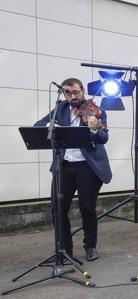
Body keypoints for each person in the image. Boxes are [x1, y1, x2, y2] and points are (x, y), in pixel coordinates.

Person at [35, 78, 112, 262]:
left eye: (76, 92)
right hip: (64, 166)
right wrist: (52, 126)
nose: (72, 96)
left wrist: (94, 129)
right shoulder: (60, 109)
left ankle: (90, 246)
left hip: (88, 166)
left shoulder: (97, 111)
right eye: (68, 92)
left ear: (82, 90)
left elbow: (103, 137)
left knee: (87, 208)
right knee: (58, 208)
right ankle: (65, 249)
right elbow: (39, 125)